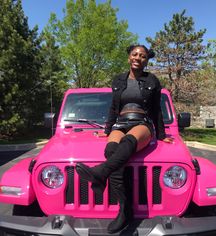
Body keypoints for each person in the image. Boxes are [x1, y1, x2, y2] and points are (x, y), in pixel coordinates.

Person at [76, 44, 173, 234]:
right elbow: (113, 107)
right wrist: (107, 129)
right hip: (121, 122)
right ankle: (125, 210)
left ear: (146, 60)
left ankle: (100, 173)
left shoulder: (152, 80)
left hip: (142, 123)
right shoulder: (119, 80)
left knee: (128, 142)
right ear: (129, 57)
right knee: (111, 149)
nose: (138, 57)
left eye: (143, 56)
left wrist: (161, 135)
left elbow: (156, 110)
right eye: (135, 54)